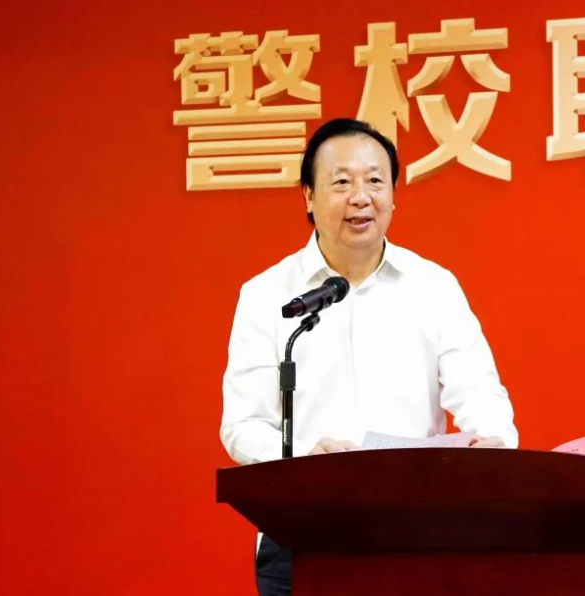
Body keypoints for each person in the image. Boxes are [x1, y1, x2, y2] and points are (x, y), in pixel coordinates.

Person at [219, 118, 517, 596]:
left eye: (375, 181)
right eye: (341, 182)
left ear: (393, 195)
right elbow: (242, 424)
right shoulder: (266, 296)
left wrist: (495, 445)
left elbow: (480, 393)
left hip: (416, 528)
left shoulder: (433, 286)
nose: (361, 197)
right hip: (303, 533)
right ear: (308, 196)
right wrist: (300, 460)